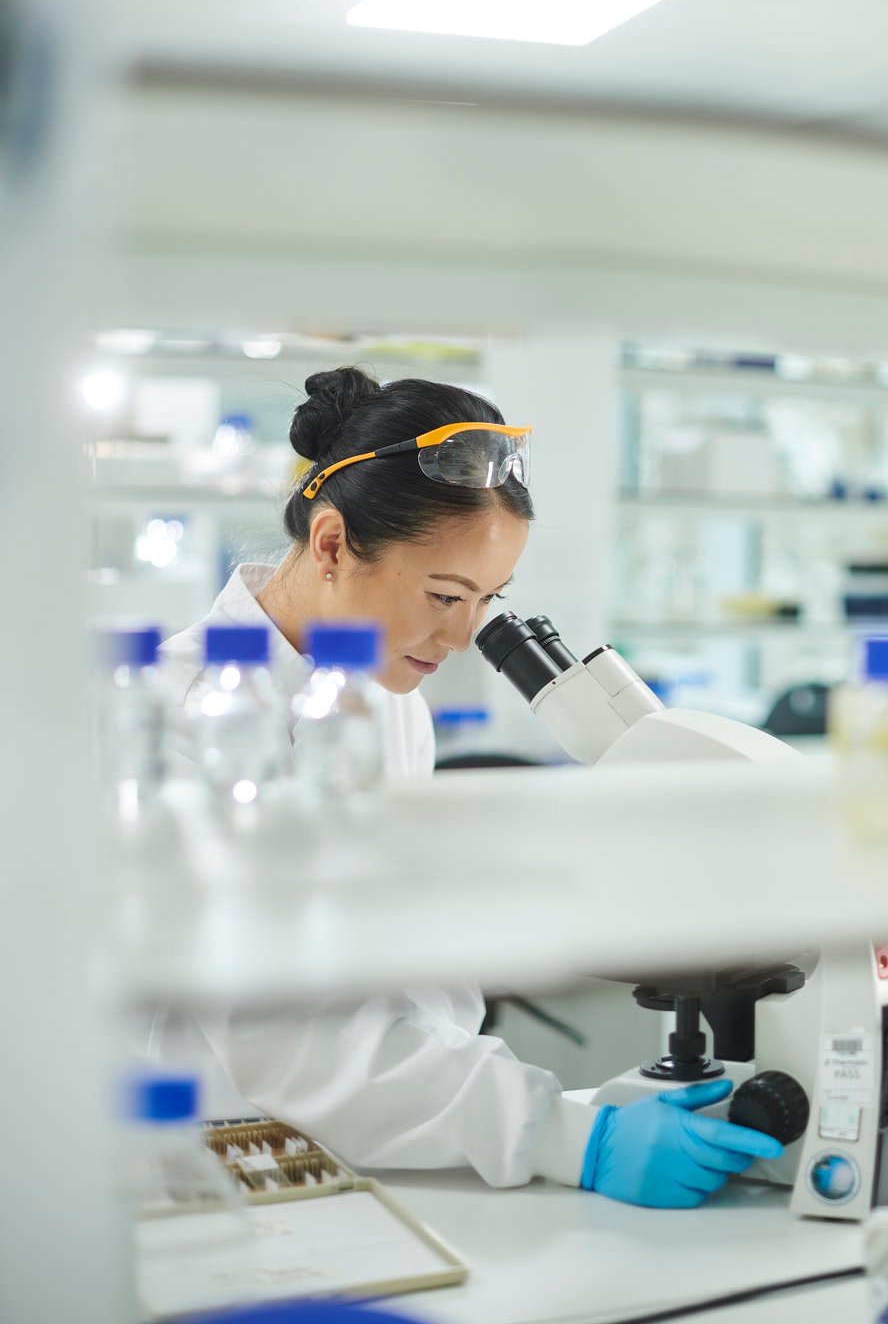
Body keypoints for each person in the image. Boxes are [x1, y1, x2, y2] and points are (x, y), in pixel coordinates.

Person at [146, 366, 781, 1208]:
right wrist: (556, 1133)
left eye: (485, 600)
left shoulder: (382, 694)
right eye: (443, 595)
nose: (458, 636)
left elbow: (410, 982)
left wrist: (488, 1117)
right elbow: (287, 1035)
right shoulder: (182, 719)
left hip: (369, 1153)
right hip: (205, 1166)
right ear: (332, 544)